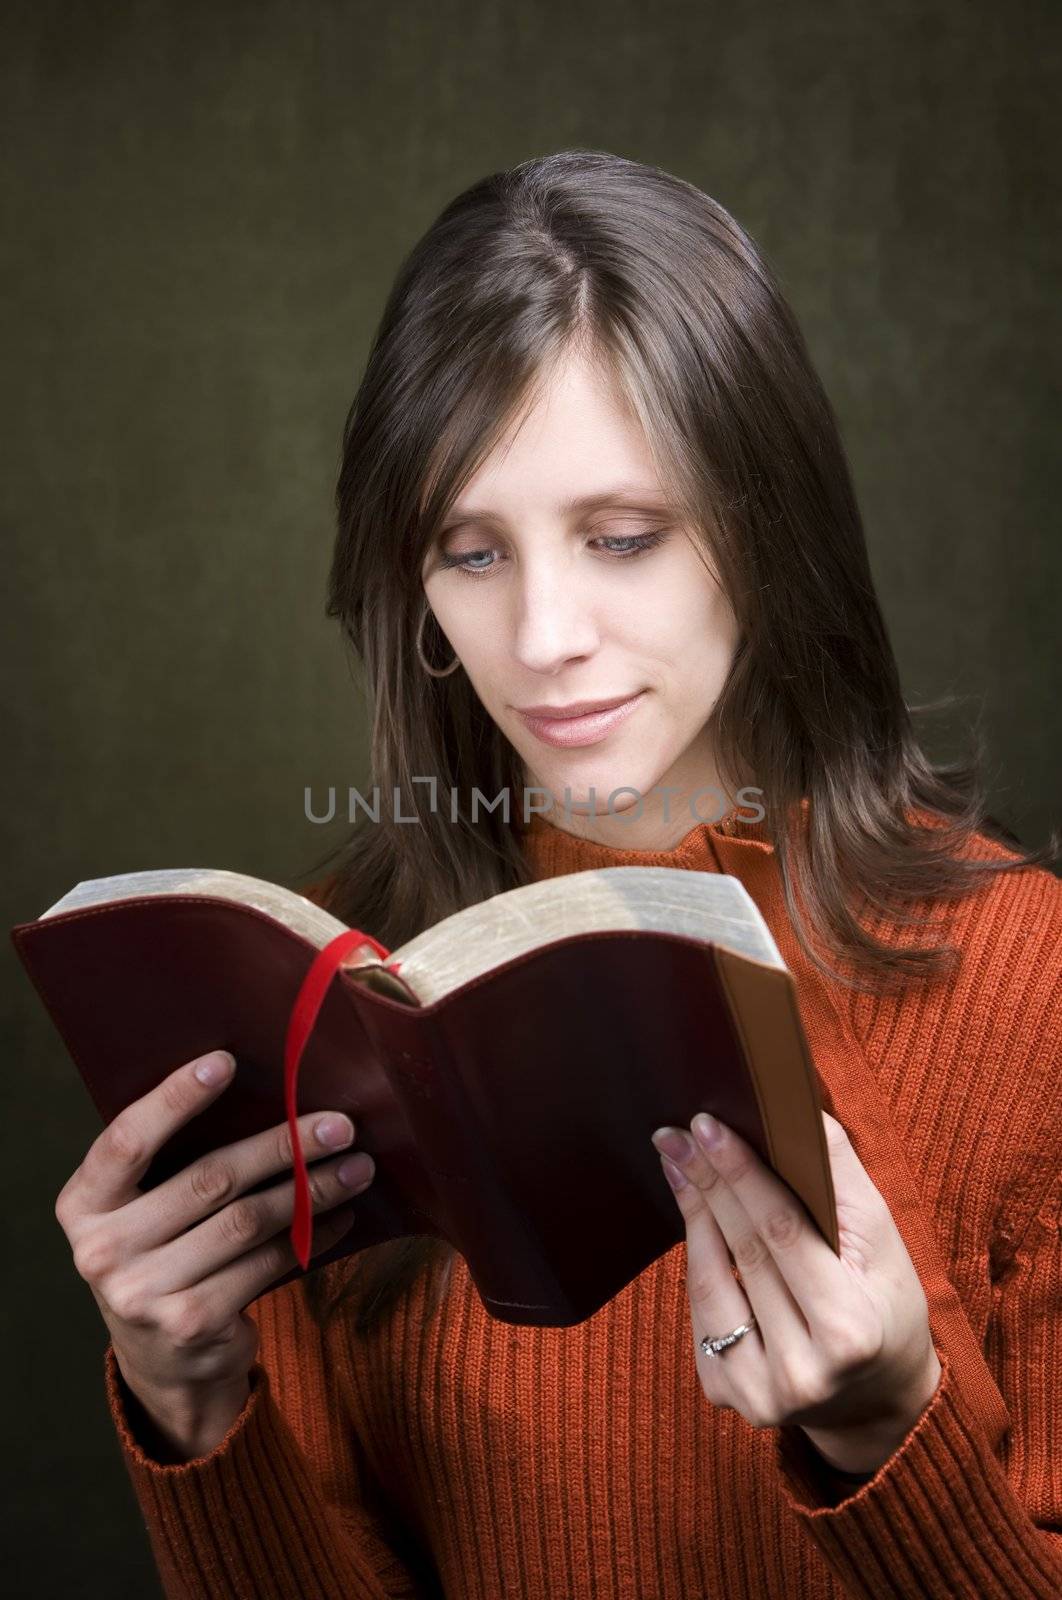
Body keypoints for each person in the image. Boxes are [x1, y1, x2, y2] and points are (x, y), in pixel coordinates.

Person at [54, 150, 1060, 1599]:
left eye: (622, 538)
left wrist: (884, 1430)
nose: (540, 635)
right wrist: (194, 1408)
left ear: (764, 531)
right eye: (468, 554)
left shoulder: (1022, 990)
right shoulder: (337, 999)